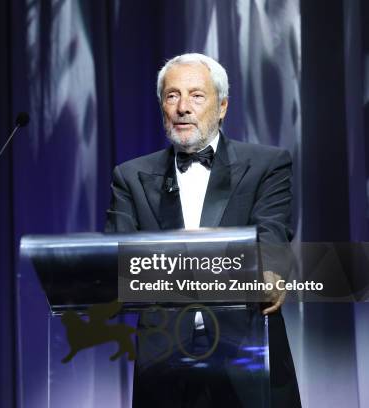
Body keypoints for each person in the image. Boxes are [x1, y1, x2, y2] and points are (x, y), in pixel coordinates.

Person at [105, 53, 301, 407]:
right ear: (162, 106)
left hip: (248, 350)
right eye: (172, 95)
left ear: (222, 106)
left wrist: (271, 270)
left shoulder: (267, 164)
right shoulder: (130, 175)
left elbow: (271, 231)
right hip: (164, 361)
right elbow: (118, 258)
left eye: (196, 95)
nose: (183, 107)